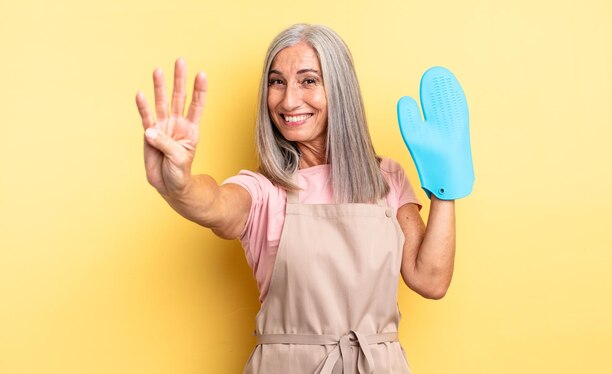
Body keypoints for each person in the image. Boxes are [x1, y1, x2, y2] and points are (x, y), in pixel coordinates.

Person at [136, 23, 460, 374]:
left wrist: (446, 184)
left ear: (340, 90)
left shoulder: (386, 178)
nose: (289, 100)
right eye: (277, 82)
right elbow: (214, 204)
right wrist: (179, 184)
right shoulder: (263, 190)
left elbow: (431, 280)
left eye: (308, 80)